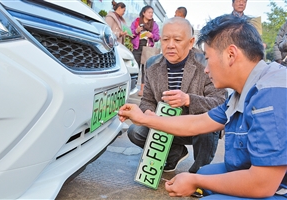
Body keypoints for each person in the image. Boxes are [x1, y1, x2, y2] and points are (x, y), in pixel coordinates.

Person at [118, 14, 287, 199]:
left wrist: (195, 181)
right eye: (166, 39)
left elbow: (262, 184)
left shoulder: (271, 95)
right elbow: (198, 122)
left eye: (208, 58)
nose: (207, 68)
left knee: (204, 187)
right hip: (263, 178)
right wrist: (143, 118)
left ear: (231, 55)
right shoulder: (243, 91)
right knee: (204, 173)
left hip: (276, 186)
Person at [127, 17, 226, 174]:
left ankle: (200, 169)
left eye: (177, 40)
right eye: (166, 39)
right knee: (135, 131)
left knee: (209, 125)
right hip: (166, 125)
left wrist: (188, 100)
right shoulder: (153, 65)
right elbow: (147, 101)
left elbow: (220, 103)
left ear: (191, 42)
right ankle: (174, 154)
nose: (170, 45)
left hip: (196, 127)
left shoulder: (205, 65)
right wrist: (148, 113)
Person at [130, 5, 160, 96]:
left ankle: (142, 90)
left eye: (152, 13)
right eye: (149, 12)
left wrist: (152, 36)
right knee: (135, 67)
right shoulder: (136, 21)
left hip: (148, 48)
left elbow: (157, 37)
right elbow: (131, 33)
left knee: (145, 69)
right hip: (137, 47)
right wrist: (137, 30)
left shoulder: (154, 24)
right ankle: (132, 87)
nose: (151, 14)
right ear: (143, 13)